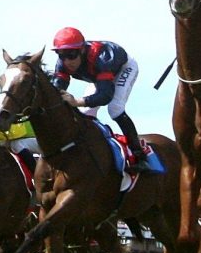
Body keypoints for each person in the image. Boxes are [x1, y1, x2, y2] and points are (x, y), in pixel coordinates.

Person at [48, 28, 154, 172]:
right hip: (100, 77)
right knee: (86, 113)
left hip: (122, 69)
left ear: (82, 50)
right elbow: (56, 92)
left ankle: (140, 156)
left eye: (71, 55)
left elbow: (105, 96)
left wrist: (76, 101)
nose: (67, 61)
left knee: (115, 109)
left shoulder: (102, 57)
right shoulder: (62, 64)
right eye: (61, 55)